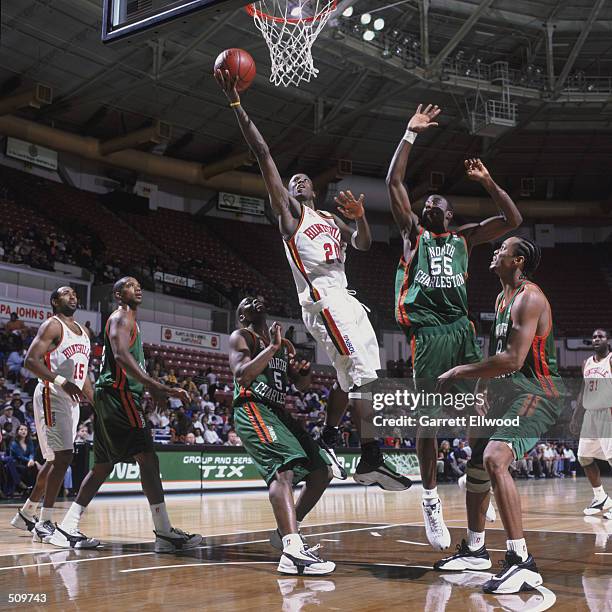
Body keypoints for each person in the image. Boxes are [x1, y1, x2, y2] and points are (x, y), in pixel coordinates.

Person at [216, 70, 410, 492]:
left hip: (349, 300)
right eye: (292, 180)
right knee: (364, 380)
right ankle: (370, 456)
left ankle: (329, 439)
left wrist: (360, 222)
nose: (299, 179)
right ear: (285, 192)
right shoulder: (291, 217)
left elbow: (362, 246)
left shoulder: (330, 218)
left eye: (304, 179)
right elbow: (264, 153)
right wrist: (237, 104)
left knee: (358, 376)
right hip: (323, 300)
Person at [385, 104, 522, 548]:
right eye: (426, 203)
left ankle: (476, 475)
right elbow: (393, 183)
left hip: (461, 329)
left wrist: (488, 182)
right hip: (427, 333)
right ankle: (429, 499)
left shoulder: (465, 238)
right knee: (429, 420)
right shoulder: (413, 235)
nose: (429, 205)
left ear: (451, 213)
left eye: (437, 203)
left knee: (481, 411)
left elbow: (513, 221)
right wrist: (410, 133)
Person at [434, 237, 564, 595]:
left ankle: (521, 560)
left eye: (502, 249)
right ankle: (476, 548)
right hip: (507, 394)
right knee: (477, 460)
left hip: (539, 392)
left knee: (495, 458)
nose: (495, 252)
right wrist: (480, 393)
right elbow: (497, 354)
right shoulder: (500, 299)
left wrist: (460, 371)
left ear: (517, 260)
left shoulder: (530, 298)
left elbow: (513, 360)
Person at [50, 277, 202, 552]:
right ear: (119, 294)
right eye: (131, 285)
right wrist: (156, 386)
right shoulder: (120, 317)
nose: (138, 287)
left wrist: (149, 387)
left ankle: (67, 526)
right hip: (119, 396)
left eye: (138, 284)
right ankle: (165, 532)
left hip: (112, 397)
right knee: (148, 458)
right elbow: (120, 355)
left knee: (103, 466)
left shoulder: (129, 319)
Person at [229, 296, 334, 575]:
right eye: (247, 302)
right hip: (253, 407)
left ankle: (287, 532)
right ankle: (292, 551)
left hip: (278, 411)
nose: (255, 300)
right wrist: (273, 347)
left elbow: (300, 386)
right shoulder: (242, 337)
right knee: (282, 472)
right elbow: (242, 376)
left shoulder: (283, 344)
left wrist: (302, 374)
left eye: (257, 298)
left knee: (322, 472)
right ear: (242, 316)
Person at [11, 286, 94, 544]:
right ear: (55, 301)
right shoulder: (52, 325)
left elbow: (83, 376)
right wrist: (60, 381)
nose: (73, 296)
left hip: (71, 400)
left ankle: (27, 514)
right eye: (67, 293)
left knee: (54, 460)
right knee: (63, 457)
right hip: (51, 394)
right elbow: (31, 360)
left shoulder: (85, 333)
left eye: (74, 294)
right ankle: (44, 523)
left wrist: (96, 402)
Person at [570, 328, 612, 517]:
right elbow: (582, 391)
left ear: (607, 340)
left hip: (607, 412)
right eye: (594, 337)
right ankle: (600, 497)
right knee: (584, 457)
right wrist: (576, 415)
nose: (596, 339)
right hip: (590, 415)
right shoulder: (586, 363)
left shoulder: (610, 360)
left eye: (600, 336)